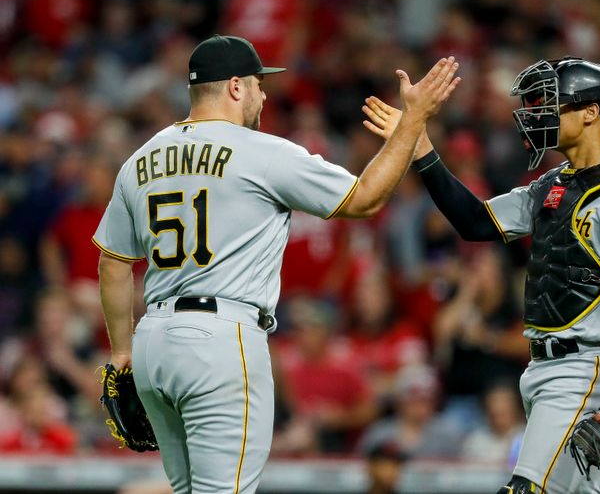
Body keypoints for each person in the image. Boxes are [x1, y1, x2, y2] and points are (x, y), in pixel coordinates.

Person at [92, 34, 459, 494]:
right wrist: (413, 123)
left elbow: (113, 263)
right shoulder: (260, 152)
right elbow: (364, 200)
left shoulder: (140, 159)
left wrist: (122, 354)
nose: (265, 94)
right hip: (220, 340)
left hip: (152, 343)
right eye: (259, 83)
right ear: (235, 87)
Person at [363, 56, 600, 494]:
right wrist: (420, 147)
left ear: (590, 112)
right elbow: (476, 222)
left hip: (586, 368)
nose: (540, 114)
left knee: (525, 490)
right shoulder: (552, 184)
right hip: (544, 368)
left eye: (553, 104)